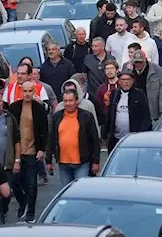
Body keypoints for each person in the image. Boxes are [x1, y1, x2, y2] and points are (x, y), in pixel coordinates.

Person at [8, 81, 51, 221]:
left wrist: (42, 149)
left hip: (33, 151)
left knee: (32, 183)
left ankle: (31, 212)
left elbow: (44, 130)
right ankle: (22, 202)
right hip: (17, 152)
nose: (27, 94)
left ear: (34, 92)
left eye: (29, 91)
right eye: (24, 91)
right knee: (15, 182)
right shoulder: (14, 108)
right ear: (21, 92)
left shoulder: (39, 108)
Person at [48, 85, 102, 185]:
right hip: (63, 163)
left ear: (76, 101)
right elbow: (51, 138)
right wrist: (48, 160)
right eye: (65, 101)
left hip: (82, 163)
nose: (68, 103)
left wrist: (95, 162)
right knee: (66, 192)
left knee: (80, 191)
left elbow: (94, 140)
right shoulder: (57, 117)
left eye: (71, 100)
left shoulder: (86, 116)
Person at [105, 69, 152, 149]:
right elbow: (110, 115)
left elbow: (146, 116)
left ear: (132, 81)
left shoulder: (139, 94)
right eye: (123, 80)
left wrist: (142, 135)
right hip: (116, 138)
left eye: (128, 79)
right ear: (119, 81)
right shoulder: (114, 94)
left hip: (134, 139)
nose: (126, 82)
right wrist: (106, 134)